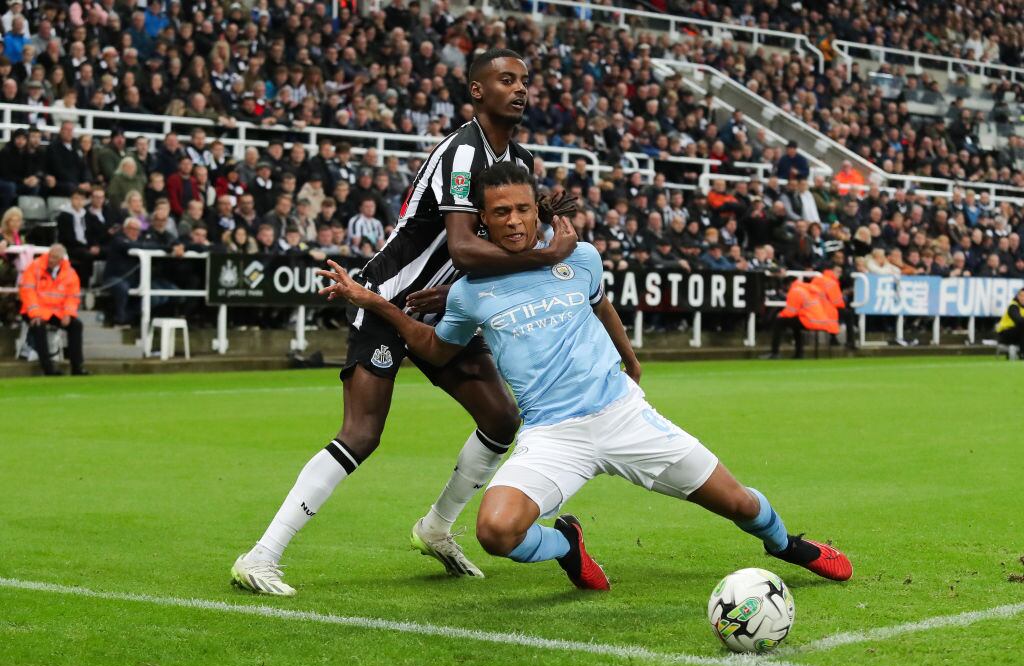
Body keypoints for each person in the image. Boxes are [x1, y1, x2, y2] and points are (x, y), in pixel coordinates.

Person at [317, 162, 852, 590]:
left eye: (523, 208)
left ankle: (787, 546)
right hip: (553, 436)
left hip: (623, 416)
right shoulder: (469, 292)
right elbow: (434, 346)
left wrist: (630, 357)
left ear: (535, 209)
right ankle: (566, 546)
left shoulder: (581, 257)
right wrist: (375, 303)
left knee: (740, 504)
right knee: (496, 532)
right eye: (500, 212)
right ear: (482, 220)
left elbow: (602, 306)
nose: (513, 221)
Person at [230, 48, 583, 595]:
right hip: (388, 300)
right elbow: (466, 249)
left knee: (500, 420)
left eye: (525, 81)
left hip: (442, 303)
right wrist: (546, 255)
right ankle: (261, 555)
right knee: (362, 433)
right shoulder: (463, 154)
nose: (520, 89)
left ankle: (437, 529)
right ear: (476, 91)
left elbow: (483, 247)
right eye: (506, 80)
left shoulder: (520, 159)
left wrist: (462, 285)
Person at [19, 243, 88, 375]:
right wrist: (35, 314)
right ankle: (48, 368)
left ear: (62, 260)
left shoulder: (70, 273)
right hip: (34, 311)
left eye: (55, 258)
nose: (51, 260)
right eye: (50, 256)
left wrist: (68, 314)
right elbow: (27, 292)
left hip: (56, 312)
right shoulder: (35, 267)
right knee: (39, 327)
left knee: (76, 325)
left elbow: (72, 297)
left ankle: (77, 367)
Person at [996, 288, 1024, 359]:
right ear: (1017, 296)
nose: (1023, 298)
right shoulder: (1013, 306)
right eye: (1022, 296)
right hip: (1005, 334)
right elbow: (1019, 320)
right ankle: (1022, 353)